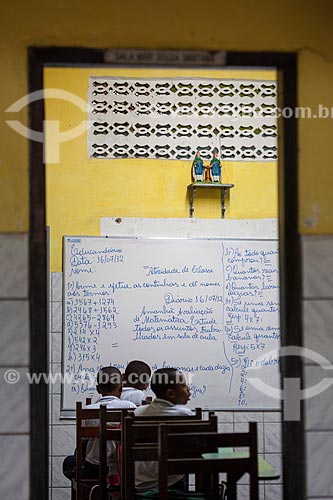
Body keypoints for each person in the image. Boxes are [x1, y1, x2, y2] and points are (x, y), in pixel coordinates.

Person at [62, 366, 136, 481]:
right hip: (122, 468)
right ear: (121, 388)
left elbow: (83, 445)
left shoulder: (87, 410)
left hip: (94, 469)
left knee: (69, 462)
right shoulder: (130, 407)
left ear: (98, 389)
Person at [134, 367, 193, 494]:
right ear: (170, 393)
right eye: (183, 386)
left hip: (139, 483)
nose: (188, 389)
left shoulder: (137, 413)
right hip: (172, 483)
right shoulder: (185, 415)